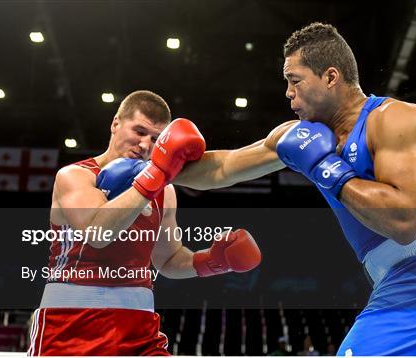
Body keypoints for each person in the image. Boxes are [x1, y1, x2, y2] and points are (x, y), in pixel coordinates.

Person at [173, 23, 416, 355]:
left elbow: (403, 223)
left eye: (295, 81)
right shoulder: (297, 135)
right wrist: (153, 168)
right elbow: (222, 169)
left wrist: (325, 167)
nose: (288, 93)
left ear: (331, 77)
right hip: (412, 282)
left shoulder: (394, 118)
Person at [27, 90, 262, 356]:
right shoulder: (76, 176)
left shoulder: (165, 192)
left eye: (155, 139)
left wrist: (212, 261)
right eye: (139, 131)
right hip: (72, 325)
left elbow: (169, 259)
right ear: (116, 123)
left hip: (139, 329)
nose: (145, 145)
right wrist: (156, 174)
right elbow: (97, 233)